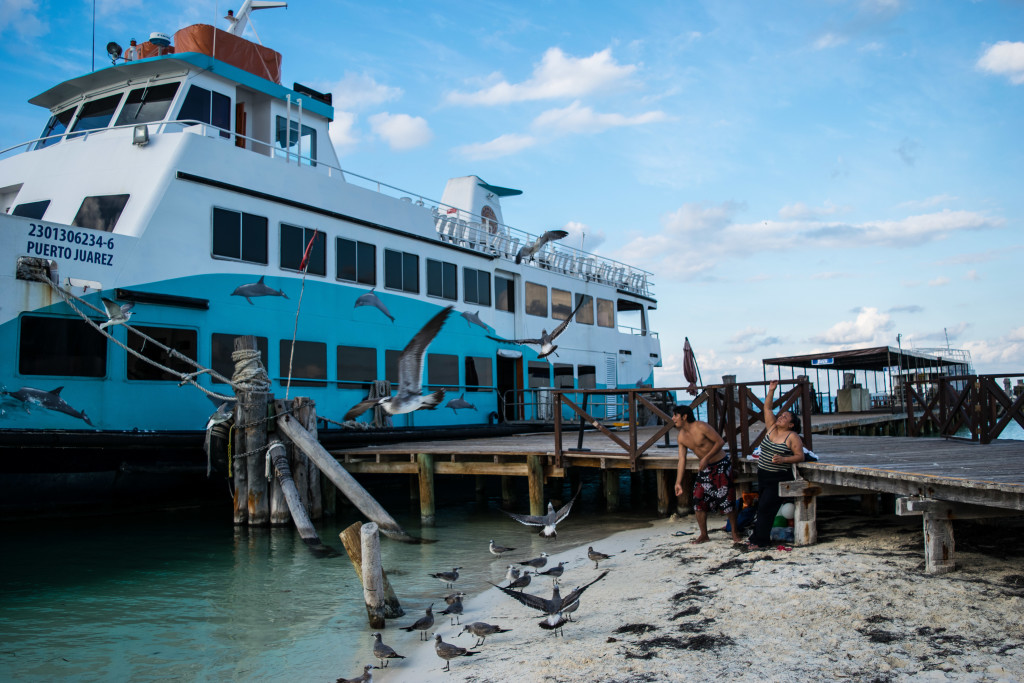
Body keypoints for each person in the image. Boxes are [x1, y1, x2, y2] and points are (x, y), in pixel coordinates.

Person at [672, 404, 741, 544]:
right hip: (705, 468)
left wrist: (706, 458)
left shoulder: (701, 426)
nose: (673, 418)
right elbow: (682, 460)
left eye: (675, 415)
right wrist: (678, 482)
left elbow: (720, 442)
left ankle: (735, 532)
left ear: (684, 417)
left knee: (727, 500)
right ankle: (704, 534)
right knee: (698, 500)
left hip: (721, 464)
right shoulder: (681, 437)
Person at [748, 380, 806, 548]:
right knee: (761, 507)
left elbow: (800, 456)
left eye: (785, 417)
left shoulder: (792, 437)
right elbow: (766, 408)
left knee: (767, 507)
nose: (780, 417)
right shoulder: (772, 428)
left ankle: (761, 541)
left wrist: (784, 460)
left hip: (778, 476)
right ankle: (757, 538)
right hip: (764, 474)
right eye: (781, 415)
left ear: (791, 424)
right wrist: (772, 390)